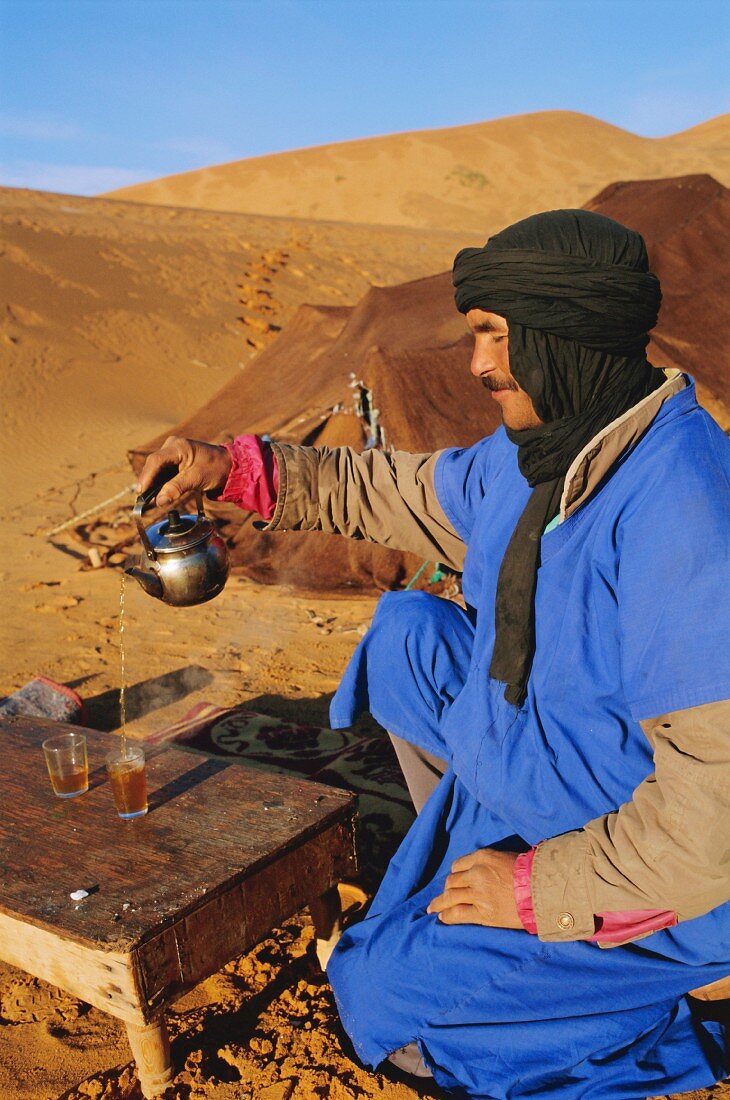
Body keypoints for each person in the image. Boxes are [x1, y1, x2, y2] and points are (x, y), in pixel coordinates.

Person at [138, 209, 730, 1099]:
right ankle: (477, 867)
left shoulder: (680, 505)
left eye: (495, 336)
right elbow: (403, 489)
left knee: (377, 999)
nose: (478, 364)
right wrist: (238, 472)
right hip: (554, 768)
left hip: (663, 864)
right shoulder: (542, 450)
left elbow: (714, 809)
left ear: (560, 333)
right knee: (407, 634)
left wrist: (536, 890)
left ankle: (671, 1011)